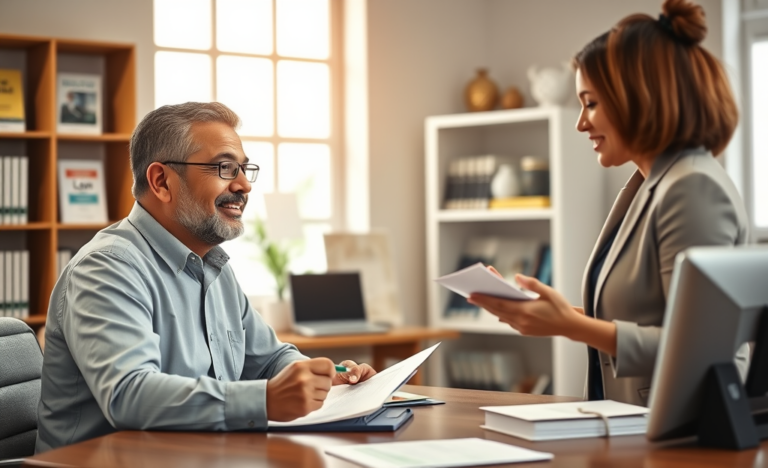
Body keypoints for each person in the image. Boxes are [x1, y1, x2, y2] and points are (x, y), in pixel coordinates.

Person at [36, 102, 376, 452]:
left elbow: (269, 360)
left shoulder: (215, 267)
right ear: (161, 181)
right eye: (226, 168)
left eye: (244, 169)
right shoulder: (106, 268)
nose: (244, 185)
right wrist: (264, 399)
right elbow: (129, 395)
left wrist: (320, 376)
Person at [468, 0, 751, 406]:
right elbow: (644, 321)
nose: (581, 122)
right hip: (630, 425)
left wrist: (570, 325)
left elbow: (704, 350)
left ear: (640, 97)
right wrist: (555, 314)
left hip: (680, 434)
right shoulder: (648, 184)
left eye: (592, 103)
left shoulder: (692, 189)